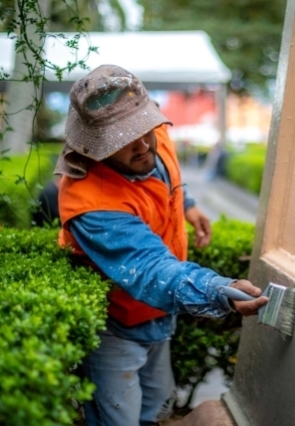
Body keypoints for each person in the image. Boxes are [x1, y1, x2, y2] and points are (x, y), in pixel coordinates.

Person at [54, 64, 268, 426]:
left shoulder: (152, 137)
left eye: (142, 129)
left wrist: (187, 205)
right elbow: (152, 270)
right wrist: (219, 289)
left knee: (156, 410)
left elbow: (168, 174)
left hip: (158, 315)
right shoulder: (90, 203)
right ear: (93, 149)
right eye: (122, 140)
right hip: (116, 326)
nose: (141, 144)